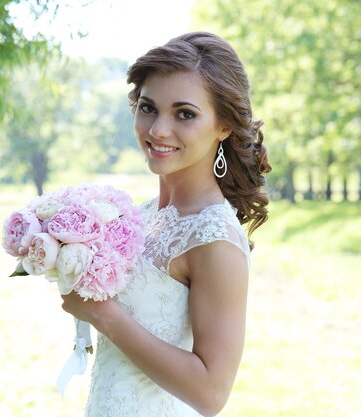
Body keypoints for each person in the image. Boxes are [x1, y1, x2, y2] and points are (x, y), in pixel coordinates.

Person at [61, 32, 271, 417]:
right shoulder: (137, 216)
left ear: (223, 125)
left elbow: (211, 393)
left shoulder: (214, 238)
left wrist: (104, 315)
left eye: (185, 114)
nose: (158, 129)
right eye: (148, 108)